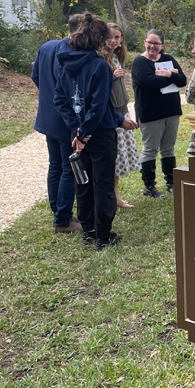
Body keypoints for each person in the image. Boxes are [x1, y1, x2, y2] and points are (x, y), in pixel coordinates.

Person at [54, 13, 138, 250]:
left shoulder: (66, 63)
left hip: (80, 134)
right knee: (101, 183)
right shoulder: (100, 66)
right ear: (98, 38)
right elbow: (99, 105)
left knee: (84, 181)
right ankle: (102, 234)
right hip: (98, 134)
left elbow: (60, 100)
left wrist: (77, 130)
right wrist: (84, 132)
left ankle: (88, 230)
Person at [31, 14, 84, 234]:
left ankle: (58, 211)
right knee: (67, 169)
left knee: (55, 166)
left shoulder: (46, 47)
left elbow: (35, 76)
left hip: (47, 116)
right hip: (65, 119)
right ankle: (62, 220)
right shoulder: (71, 53)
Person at [131, 29, 187, 197]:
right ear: (144, 42)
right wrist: (172, 77)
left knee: (168, 149)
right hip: (150, 113)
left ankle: (171, 182)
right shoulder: (139, 63)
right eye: (149, 42)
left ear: (162, 45)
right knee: (150, 149)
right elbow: (150, 82)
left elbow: (182, 80)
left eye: (156, 43)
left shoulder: (168, 60)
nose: (152, 46)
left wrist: (168, 73)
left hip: (171, 111)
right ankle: (149, 186)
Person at [101, 22, 140, 208]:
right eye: (110, 37)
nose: (113, 41)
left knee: (118, 158)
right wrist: (112, 76)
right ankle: (111, 197)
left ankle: (115, 197)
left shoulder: (117, 57)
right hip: (111, 113)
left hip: (122, 109)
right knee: (111, 157)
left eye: (117, 37)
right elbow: (97, 88)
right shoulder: (99, 59)